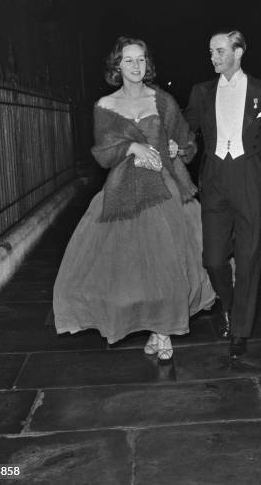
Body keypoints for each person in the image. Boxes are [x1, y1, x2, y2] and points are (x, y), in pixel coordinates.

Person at [53, 36, 215, 363]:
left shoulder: (163, 101)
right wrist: (131, 147)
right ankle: (153, 327)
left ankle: (162, 331)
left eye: (141, 60)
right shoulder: (105, 106)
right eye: (129, 60)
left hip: (165, 189)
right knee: (132, 272)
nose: (136, 66)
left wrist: (178, 149)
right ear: (117, 66)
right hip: (123, 190)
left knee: (169, 266)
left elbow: (187, 143)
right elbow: (102, 153)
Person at [185, 29, 261, 357]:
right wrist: (173, 140)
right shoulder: (201, 92)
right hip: (215, 176)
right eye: (210, 52)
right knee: (213, 258)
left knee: (248, 258)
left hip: (250, 175)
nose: (213, 57)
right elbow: (185, 126)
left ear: (238, 52)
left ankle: (241, 330)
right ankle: (232, 305)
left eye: (219, 51)